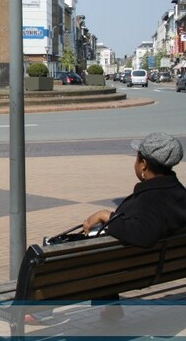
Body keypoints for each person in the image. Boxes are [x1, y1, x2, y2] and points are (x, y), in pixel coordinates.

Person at [82, 132, 186, 320]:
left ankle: (33, 307)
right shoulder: (178, 193)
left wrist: (107, 215)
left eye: (137, 158)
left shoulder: (149, 200)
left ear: (143, 164)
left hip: (126, 270)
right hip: (161, 266)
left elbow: (143, 235)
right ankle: (111, 309)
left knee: (58, 256)